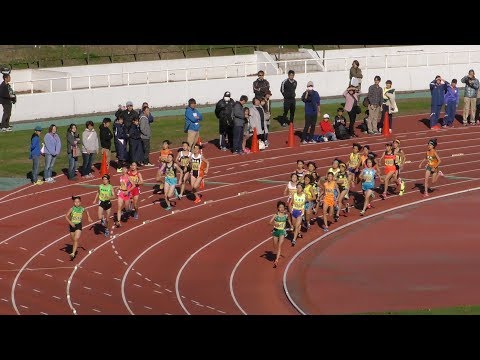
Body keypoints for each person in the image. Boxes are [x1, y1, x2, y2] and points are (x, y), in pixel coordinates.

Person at [65, 196, 93, 260]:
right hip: (72, 226)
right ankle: (75, 246)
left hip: (78, 225)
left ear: (80, 202)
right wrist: (70, 223)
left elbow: (87, 211)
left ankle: (73, 253)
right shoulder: (71, 209)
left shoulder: (82, 209)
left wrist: (89, 217)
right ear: (73, 202)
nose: (77, 203)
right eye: (75, 202)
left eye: (78, 202)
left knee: (76, 238)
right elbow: (66, 216)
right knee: (73, 240)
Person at [269, 201, 288, 268]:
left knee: (279, 246)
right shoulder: (276, 215)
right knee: (275, 245)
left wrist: (291, 226)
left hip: (282, 231)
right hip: (275, 231)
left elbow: (289, 221)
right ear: (278, 208)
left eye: (283, 207)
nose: (282, 208)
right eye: (280, 207)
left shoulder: (286, 215)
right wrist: (274, 224)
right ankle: (277, 254)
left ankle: (276, 260)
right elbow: (269, 222)